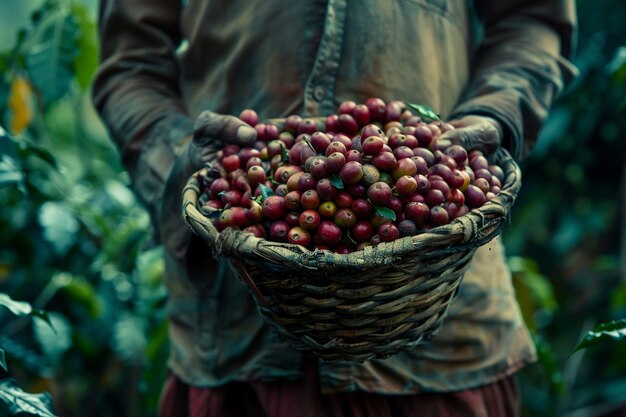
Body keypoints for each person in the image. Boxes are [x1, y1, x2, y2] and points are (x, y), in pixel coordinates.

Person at [92, 1, 577, 416]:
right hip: (233, 330)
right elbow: (129, 63)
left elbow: (532, 19)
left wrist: (495, 112)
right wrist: (180, 159)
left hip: (445, 327)